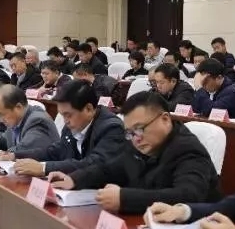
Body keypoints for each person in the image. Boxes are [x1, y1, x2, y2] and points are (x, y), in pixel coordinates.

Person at [49, 91, 221, 214]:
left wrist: (124, 198)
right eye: (130, 132)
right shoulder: (138, 143)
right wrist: (74, 179)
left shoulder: (188, 150)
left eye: (140, 128)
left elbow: (187, 195)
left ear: (165, 119)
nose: (136, 138)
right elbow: (109, 169)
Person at [15, 80, 126, 177]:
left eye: (68, 115)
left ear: (88, 109)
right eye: (62, 115)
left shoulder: (112, 128)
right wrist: (16, 155)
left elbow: (95, 163)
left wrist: (44, 168)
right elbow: (56, 151)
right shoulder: (72, 125)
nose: (65, 121)